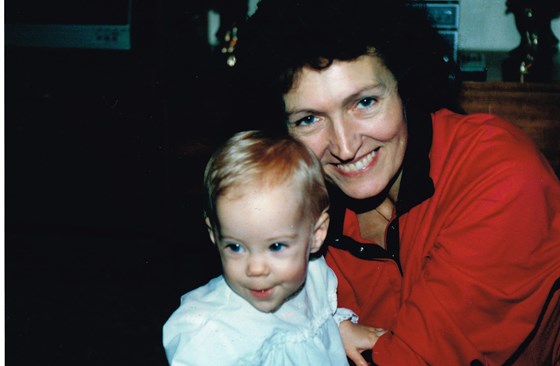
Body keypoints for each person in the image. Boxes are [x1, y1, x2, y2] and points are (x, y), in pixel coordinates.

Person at [230, 0, 560, 365]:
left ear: (406, 86)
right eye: (309, 119)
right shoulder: (297, 211)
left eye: (365, 102)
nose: (344, 146)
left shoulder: (499, 174)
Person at [163, 130, 362, 365]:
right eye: (235, 247)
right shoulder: (209, 332)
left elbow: (316, 319)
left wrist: (340, 328)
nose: (255, 269)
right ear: (214, 235)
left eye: (276, 246)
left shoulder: (315, 276)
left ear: (316, 234)